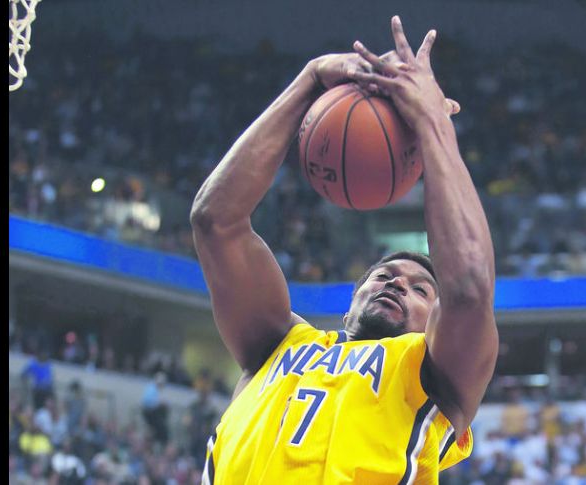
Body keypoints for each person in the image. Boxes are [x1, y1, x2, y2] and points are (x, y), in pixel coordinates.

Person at [190, 16, 498, 484]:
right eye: (384, 275)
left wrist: (431, 120)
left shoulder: (433, 378)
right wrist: (310, 80)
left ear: (437, 321)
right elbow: (216, 221)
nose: (398, 281)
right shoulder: (276, 343)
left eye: (420, 289)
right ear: (354, 293)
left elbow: (470, 287)